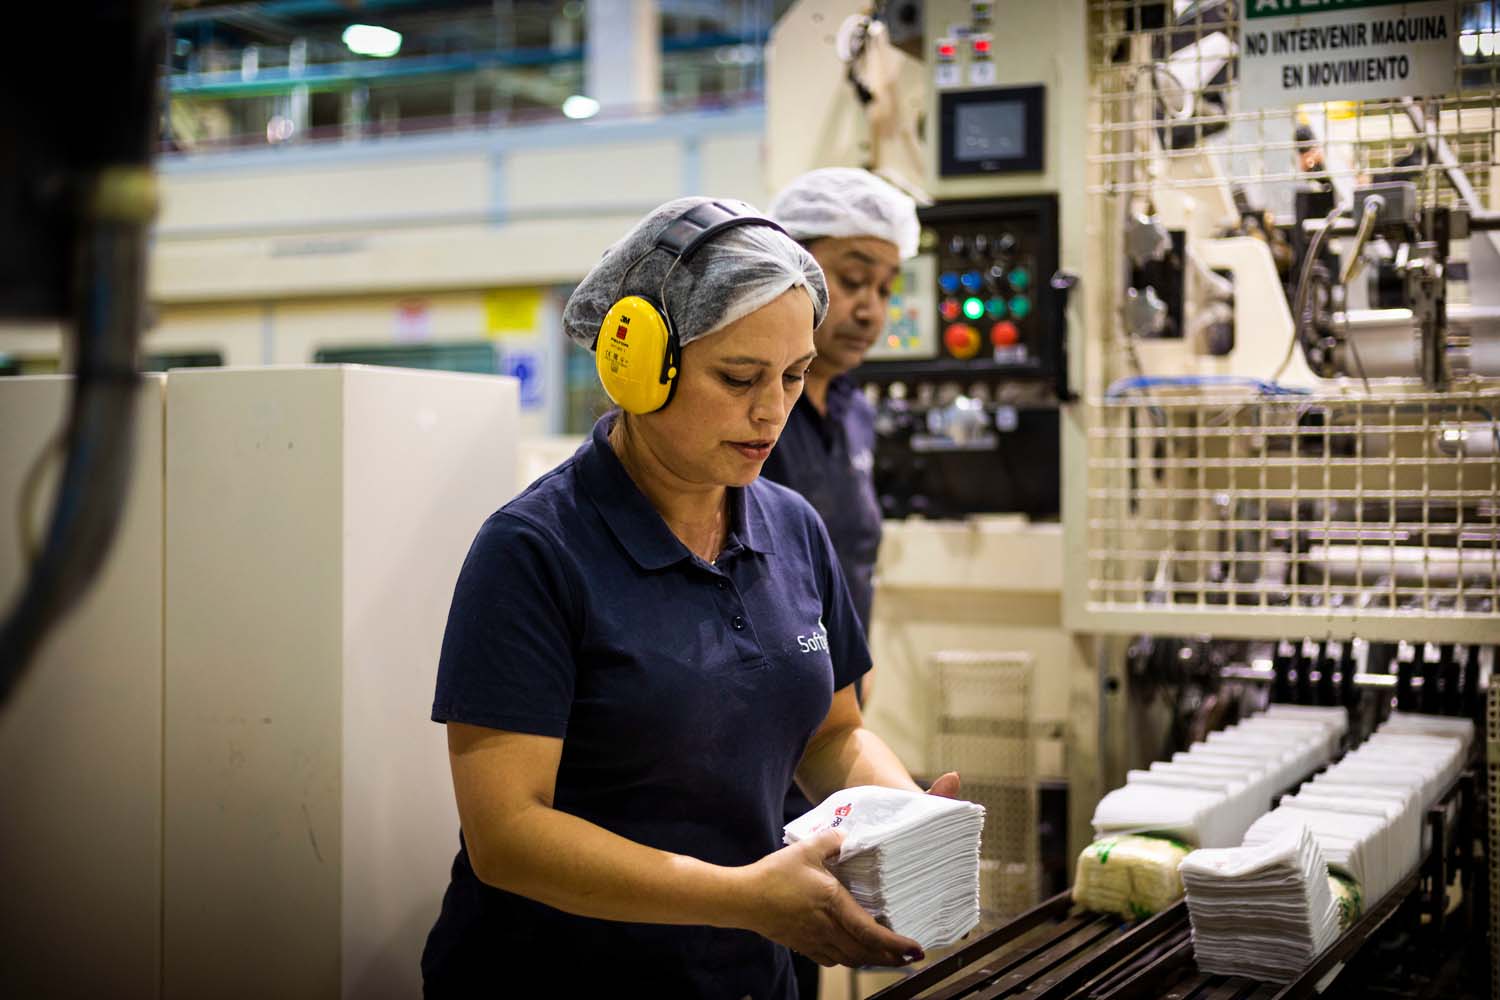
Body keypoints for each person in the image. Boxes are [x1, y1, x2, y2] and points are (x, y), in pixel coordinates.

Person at [422, 196, 959, 998]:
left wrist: (905, 819)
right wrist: (741, 898)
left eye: (793, 375)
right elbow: (509, 833)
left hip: (742, 973)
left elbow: (832, 733)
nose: (772, 408)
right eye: (739, 377)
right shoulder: (535, 551)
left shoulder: (792, 528)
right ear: (638, 367)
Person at [762, 168, 920, 1000]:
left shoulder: (852, 410)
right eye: (851, 279)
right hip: (748, 741)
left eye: (884, 287)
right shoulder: (750, 426)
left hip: (827, 727)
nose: (869, 308)